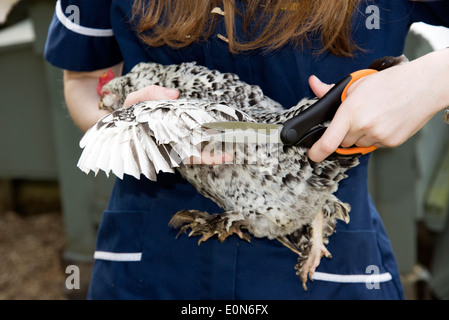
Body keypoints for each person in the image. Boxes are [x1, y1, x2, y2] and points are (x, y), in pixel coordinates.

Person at [44, 0, 449, 300]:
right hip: (154, 257)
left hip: (328, 257)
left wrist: (431, 79)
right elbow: (85, 78)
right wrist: (124, 126)